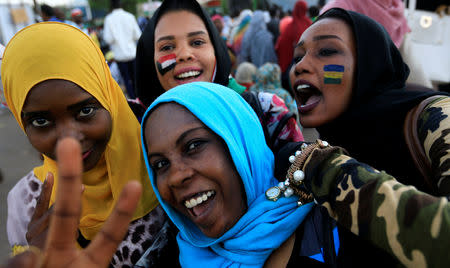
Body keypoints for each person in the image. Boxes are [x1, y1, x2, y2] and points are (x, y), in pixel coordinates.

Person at [287, 7, 450, 266]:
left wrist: (327, 172)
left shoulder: (436, 115)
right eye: (297, 57)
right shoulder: (335, 138)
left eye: (326, 51)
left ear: (369, 63)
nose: (300, 66)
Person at [2, 22, 164, 267]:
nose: (69, 142)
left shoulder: (164, 170)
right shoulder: (25, 204)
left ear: (108, 97)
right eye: (41, 120)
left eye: (85, 110)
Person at [141, 82, 337, 267]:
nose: (175, 177)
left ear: (242, 145)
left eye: (193, 146)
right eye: (160, 164)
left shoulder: (330, 223)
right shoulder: (170, 258)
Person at [135, 0, 304, 152]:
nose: (184, 54)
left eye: (197, 42)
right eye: (167, 47)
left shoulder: (267, 113)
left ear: (215, 49)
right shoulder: (134, 124)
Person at [1, 137, 142, 268]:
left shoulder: (154, 186)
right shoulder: (25, 198)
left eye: (86, 111)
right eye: (41, 121)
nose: (68, 138)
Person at [103, 0, 141, 99]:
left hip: (120, 56)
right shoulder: (130, 16)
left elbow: (108, 39)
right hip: (132, 53)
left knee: (126, 80)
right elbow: (137, 35)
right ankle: (141, 98)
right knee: (136, 79)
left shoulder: (109, 19)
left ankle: (133, 100)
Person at [276, 0, 312, 74]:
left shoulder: (290, 26)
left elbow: (281, 44)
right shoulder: (309, 24)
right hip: (309, 63)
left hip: (291, 64)